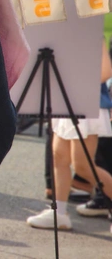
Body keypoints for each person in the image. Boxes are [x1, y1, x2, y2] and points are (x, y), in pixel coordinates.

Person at [27, 41, 112, 230]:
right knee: (59, 157)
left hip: (86, 103)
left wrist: (74, 82)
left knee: (83, 165)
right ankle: (59, 212)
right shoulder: (60, 34)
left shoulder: (90, 32)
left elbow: (106, 71)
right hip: (65, 100)